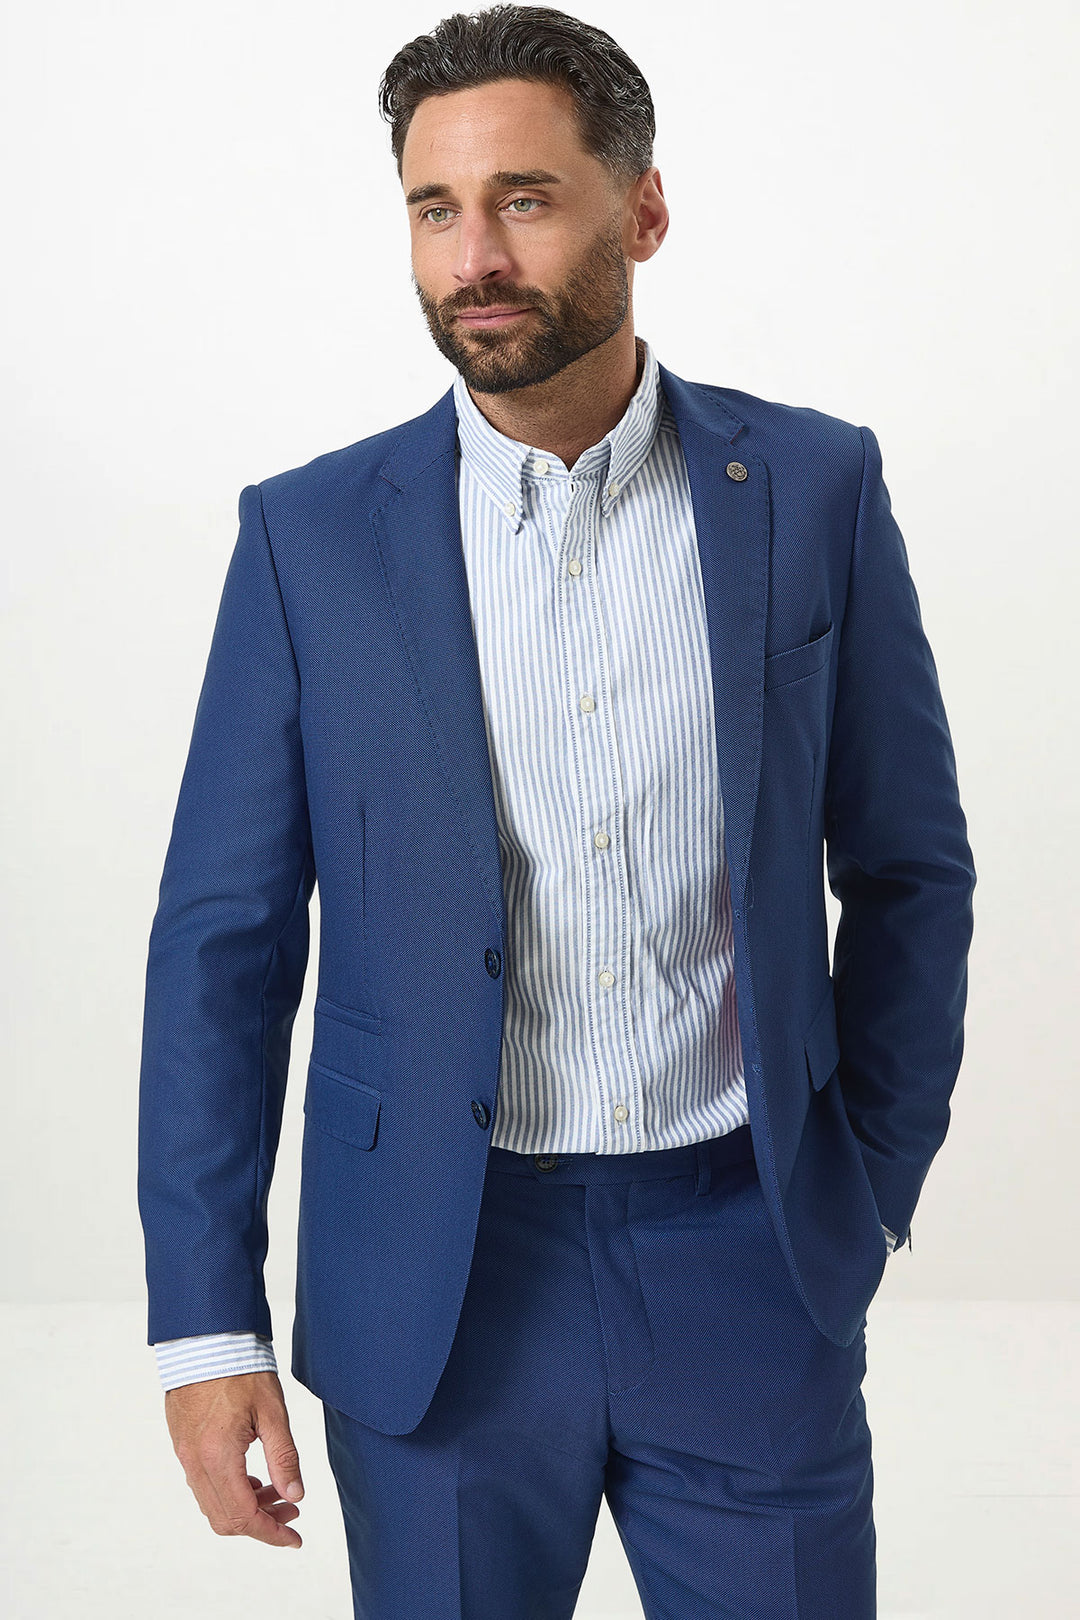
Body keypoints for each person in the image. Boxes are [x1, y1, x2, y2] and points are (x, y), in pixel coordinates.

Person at [137, 6, 976, 1614]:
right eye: (434, 210)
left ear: (641, 211)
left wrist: (866, 1181)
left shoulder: (813, 492)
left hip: (749, 1262)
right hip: (437, 1285)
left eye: (523, 200)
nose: (475, 260)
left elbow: (910, 868)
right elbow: (221, 947)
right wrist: (205, 1326)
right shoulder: (310, 539)